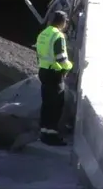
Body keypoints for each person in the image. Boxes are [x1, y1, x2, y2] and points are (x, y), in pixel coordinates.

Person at [35, 10, 73, 146]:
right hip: (54, 73)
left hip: (43, 71)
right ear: (63, 22)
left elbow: (39, 53)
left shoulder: (43, 34)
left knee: (46, 103)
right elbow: (61, 57)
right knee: (56, 104)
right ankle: (51, 135)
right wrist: (69, 66)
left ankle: (44, 132)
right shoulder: (58, 35)